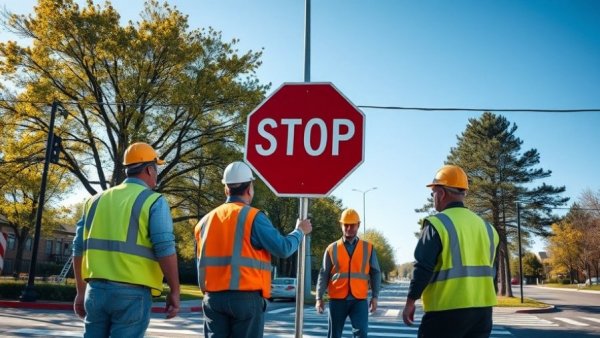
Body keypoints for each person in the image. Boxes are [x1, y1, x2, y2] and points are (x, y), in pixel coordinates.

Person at [72, 142, 180, 337]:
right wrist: (174, 290)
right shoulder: (153, 200)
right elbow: (164, 248)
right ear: (148, 169)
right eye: (156, 169)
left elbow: (78, 248)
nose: (156, 175)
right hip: (132, 294)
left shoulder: (93, 201)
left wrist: (81, 291)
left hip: (95, 290)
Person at [194, 161, 312, 338]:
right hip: (245, 299)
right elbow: (284, 248)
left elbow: (200, 263)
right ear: (249, 189)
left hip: (213, 299)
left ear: (226, 189)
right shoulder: (253, 217)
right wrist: (300, 231)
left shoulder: (204, 222)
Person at [402, 164, 499, 338]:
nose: (433, 197)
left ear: (441, 193)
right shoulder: (488, 228)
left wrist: (410, 302)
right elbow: (492, 271)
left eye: (433, 193)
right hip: (483, 313)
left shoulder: (437, 224)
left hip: (446, 311)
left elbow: (423, 267)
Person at [316, 208, 381, 338]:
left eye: (352, 225)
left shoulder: (368, 248)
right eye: (346, 225)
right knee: (334, 335)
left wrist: (375, 296)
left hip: (359, 300)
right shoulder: (331, 248)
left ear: (359, 225)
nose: (349, 228)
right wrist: (319, 297)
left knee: (361, 333)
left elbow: (376, 273)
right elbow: (324, 273)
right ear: (341, 225)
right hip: (337, 299)